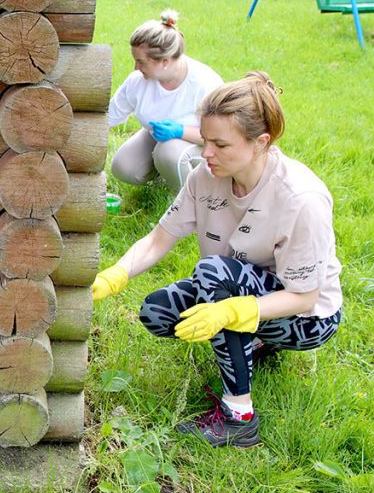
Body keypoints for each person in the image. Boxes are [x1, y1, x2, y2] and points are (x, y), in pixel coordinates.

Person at [93, 72, 342, 447]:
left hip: (307, 318)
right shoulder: (206, 176)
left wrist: (230, 312)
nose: (206, 153)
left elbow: (305, 297)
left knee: (214, 275)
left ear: (261, 142)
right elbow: (160, 238)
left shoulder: (300, 198)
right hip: (233, 284)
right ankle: (255, 345)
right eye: (205, 140)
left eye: (220, 145)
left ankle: (239, 417)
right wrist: (117, 273)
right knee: (158, 312)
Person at [108, 9, 224, 193]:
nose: (136, 67)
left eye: (141, 62)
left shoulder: (204, 83)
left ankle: (189, 199)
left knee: (169, 153)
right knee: (124, 167)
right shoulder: (137, 81)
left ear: (164, 61)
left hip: (203, 144)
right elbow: (109, 116)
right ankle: (165, 177)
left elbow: (223, 135)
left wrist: (180, 131)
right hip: (157, 137)